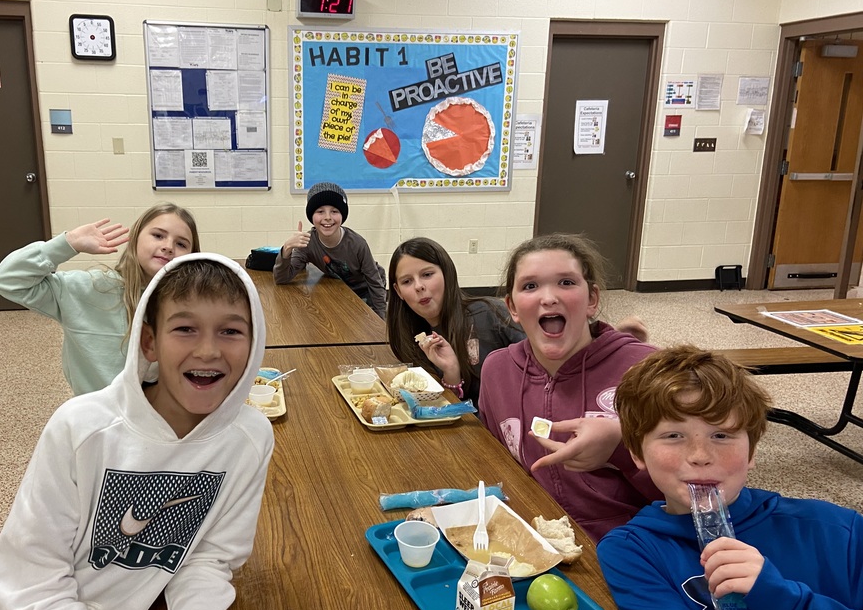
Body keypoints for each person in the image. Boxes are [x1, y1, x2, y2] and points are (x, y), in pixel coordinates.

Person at [0, 254, 274, 610]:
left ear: (255, 342)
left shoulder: (249, 438)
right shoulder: (82, 428)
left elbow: (207, 557)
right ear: (148, 343)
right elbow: (32, 578)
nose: (207, 350)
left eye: (231, 331)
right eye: (184, 328)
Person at [599, 345, 863, 610]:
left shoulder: (838, 532)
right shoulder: (631, 551)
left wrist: (785, 603)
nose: (700, 456)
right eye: (673, 435)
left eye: (721, 434)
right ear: (637, 453)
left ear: (752, 451)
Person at [478, 233, 660, 541]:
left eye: (566, 282)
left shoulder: (645, 370)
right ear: (512, 307)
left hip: (630, 545)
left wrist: (621, 444)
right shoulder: (497, 370)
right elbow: (496, 466)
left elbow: (697, 491)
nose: (548, 298)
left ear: (592, 299)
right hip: (530, 538)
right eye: (530, 286)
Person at [0, 203, 200, 395]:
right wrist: (67, 244)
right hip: (97, 414)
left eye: (181, 244)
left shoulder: (191, 303)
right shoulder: (89, 288)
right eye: (158, 235)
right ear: (135, 239)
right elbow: (8, 280)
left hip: (160, 414)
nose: (168, 246)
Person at [387, 237, 525, 402]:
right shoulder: (411, 339)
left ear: (447, 273)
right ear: (398, 291)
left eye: (427, 274)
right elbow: (448, 405)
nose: (418, 286)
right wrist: (451, 371)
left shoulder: (490, 313)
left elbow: (540, 370)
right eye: (407, 281)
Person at [273, 181, 387, 318]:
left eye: (334, 211)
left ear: (342, 216)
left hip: (366, 289)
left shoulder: (357, 244)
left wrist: (381, 320)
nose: (327, 217)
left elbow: (375, 283)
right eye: (320, 211)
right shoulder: (307, 243)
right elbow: (281, 278)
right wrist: (287, 248)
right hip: (341, 290)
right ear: (311, 216)